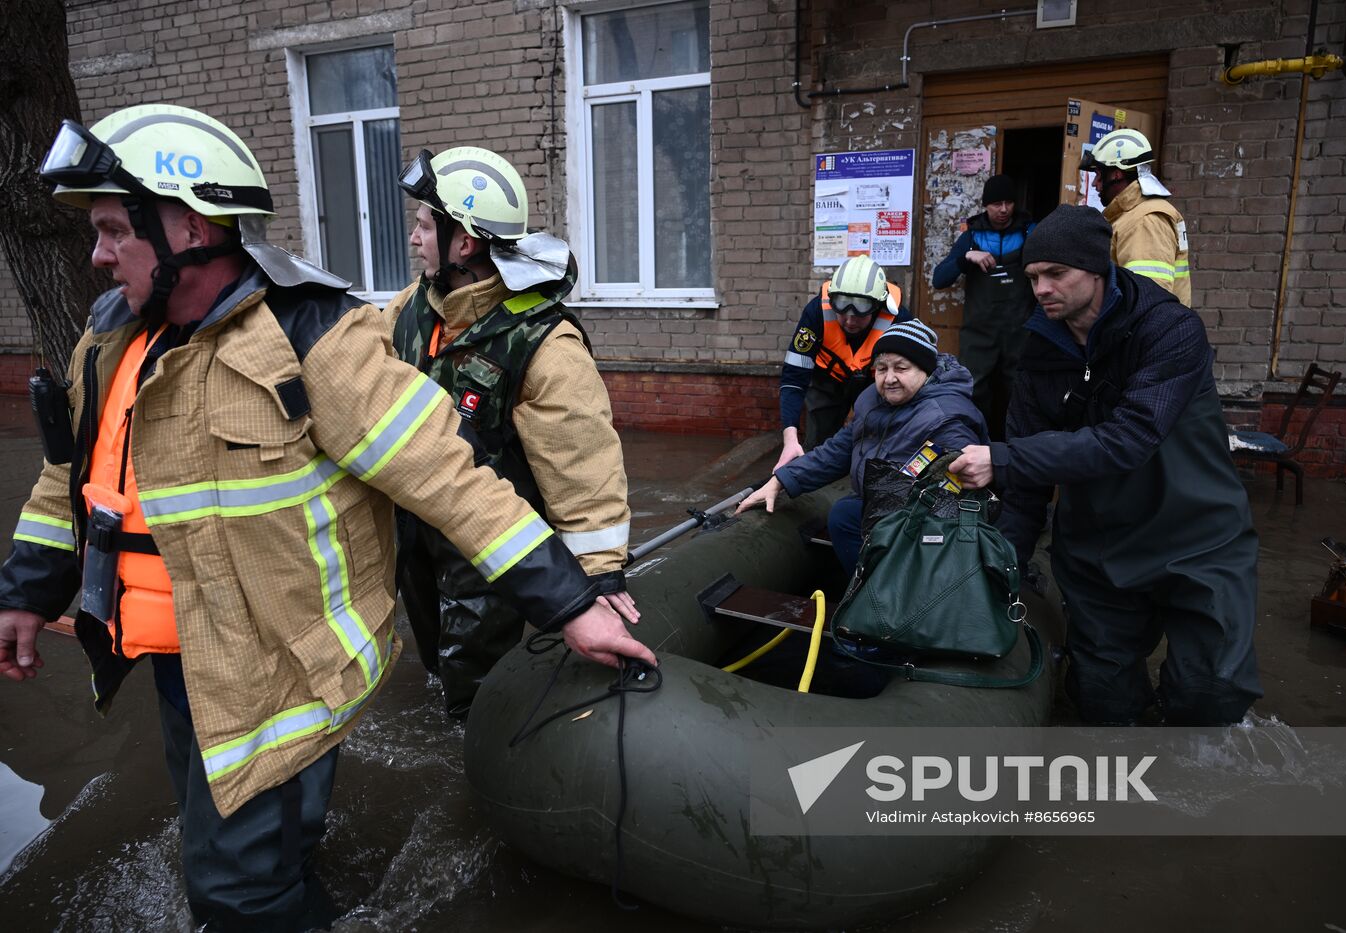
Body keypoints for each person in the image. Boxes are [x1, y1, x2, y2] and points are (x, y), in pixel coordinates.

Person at [0, 104, 654, 930]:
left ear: (192, 225)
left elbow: (455, 475)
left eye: (109, 230)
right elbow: (75, 475)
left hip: (279, 668)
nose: (95, 257)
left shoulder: (315, 335)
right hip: (178, 649)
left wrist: (581, 596)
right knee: (248, 853)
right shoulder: (111, 336)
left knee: (236, 893)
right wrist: (27, 587)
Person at [948, 205, 1259, 727]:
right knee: (1103, 699)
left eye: (1056, 274)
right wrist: (1005, 569)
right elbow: (1026, 488)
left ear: (1097, 269)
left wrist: (1001, 457)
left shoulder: (1168, 331)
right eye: (1033, 277)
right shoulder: (1040, 352)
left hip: (1196, 537)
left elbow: (1129, 439)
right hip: (1099, 547)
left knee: (1209, 695)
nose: (1042, 288)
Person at [384, 146, 635, 717]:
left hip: (492, 545)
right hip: (416, 531)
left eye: (425, 225)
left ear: (464, 243)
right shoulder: (413, 307)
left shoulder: (546, 345)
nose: (415, 238)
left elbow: (585, 472)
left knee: (478, 692)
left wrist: (598, 582)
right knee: (436, 659)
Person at [740, 320, 987, 576]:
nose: (889, 378)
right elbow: (839, 449)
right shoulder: (874, 401)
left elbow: (954, 501)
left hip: (922, 528)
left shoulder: (946, 419)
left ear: (925, 370)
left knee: (846, 514)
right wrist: (781, 480)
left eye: (901, 368)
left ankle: (887, 595)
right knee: (845, 514)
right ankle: (865, 589)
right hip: (881, 509)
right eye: (881, 368)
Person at [774, 255, 912, 470]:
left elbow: (916, 376)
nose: (849, 320)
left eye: (860, 312)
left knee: (875, 440)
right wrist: (790, 436)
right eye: (842, 311)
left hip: (874, 383)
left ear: (878, 305)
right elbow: (794, 377)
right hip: (827, 379)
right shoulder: (816, 312)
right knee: (817, 445)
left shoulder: (899, 318)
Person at [930, 174, 1037, 440]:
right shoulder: (972, 236)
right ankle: (975, 449)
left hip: (1020, 332)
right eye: (996, 204)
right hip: (980, 333)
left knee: (1018, 392)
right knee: (975, 392)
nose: (1003, 210)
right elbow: (939, 279)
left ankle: (1015, 454)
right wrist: (966, 257)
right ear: (985, 205)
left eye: (1008, 203)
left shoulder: (1029, 231)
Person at [1079, 128, 1192, 305]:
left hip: (1145, 332)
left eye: (1099, 175)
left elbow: (1148, 298)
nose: (1094, 183)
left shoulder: (1145, 220)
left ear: (1117, 174)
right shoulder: (1132, 215)